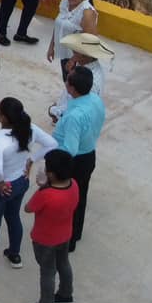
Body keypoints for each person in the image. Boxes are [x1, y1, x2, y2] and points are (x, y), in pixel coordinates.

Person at [0, 99, 52, 273]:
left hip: (1, 187)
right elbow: (52, 144)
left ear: (2, 118)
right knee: (13, 217)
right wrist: (32, 159)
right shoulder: (30, 129)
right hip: (21, 182)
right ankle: (14, 254)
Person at [22, 149, 79, 303]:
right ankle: (65, 295)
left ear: (52, 174)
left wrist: (41, 188)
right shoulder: (74, 185)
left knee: (47, 272)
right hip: (65, 234)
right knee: (64, 264)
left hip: (45, 239)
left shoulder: (46, 194)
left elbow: (28, 208)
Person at [53, 66, 105, 252]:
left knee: (68, 201)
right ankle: (75, 235)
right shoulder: (96, 101)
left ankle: (67, 240)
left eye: (68, 80)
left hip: (74, 162)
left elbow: (70, 149)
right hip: (89, 154)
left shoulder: (75, 116)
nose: (65, 82)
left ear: (72, 88)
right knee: (80, 197)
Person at [49, 33, 113, 120]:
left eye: (75, 52)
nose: (73, 53)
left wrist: (54, 111)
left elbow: (78, 109)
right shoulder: (85, 65)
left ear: (85, 56)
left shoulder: (91, 82)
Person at [46, 0, 99, 76]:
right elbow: (59, 25)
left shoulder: (87, 12)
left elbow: (89, 41)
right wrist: (51, 47)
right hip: (65, 54)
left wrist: (73, 60)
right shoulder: (65, 2)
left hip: (79, 60)